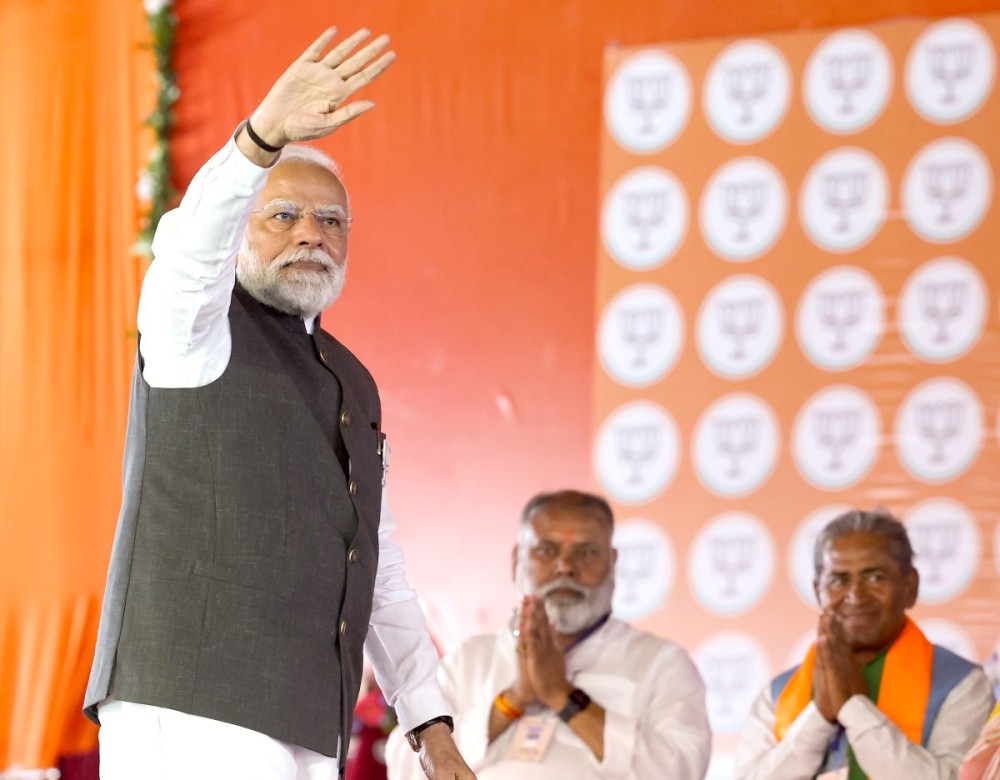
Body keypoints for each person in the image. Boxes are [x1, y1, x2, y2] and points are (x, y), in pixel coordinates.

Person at [83, 26, 475, 780]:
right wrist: (260, 140)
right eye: (283, 215)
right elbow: (188, 256)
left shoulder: (353, 381)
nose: (311, 236)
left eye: (331, 222)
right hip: (192, 704)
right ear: (240, 231)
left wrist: (430, 725)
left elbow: (377, 562)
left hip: (308, 720)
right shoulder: (196, 333)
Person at [385, 490, 712, 779]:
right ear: (517, 560)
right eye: (547, 550)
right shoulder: (469, 660)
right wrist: (512, 700)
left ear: (612, 562)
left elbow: (682, 769)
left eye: (587, 552)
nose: (565, 566)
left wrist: (563, 695)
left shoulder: (661, 663)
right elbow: (404, 765)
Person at [734, 508, 995, 779]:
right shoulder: (778, 694)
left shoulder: (960, 684)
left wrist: (853, 709)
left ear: (910, 587)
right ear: (818, 592)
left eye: (874, 577)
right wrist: (819, 717)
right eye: (839, 580)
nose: (856, 597)